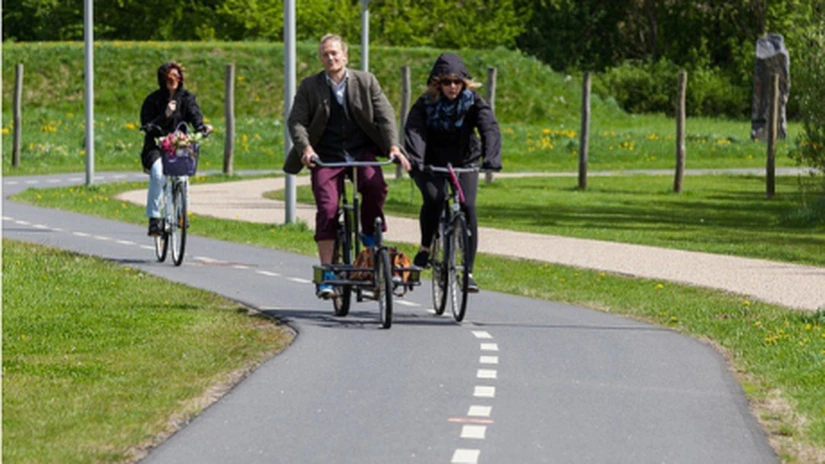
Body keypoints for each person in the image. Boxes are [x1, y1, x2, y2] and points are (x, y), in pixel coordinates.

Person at [284, 34, 411, 298]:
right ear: (321, 58)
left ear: (345, 55)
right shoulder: (310, 86)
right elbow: (296, 121)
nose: (330, 58)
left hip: (360, 149)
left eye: (334, 53)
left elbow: (385, 114)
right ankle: (328, 272)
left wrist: (393, 146)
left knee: (375, 186)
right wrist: (306, 149)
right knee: (328, 207)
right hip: (326, 154)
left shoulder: (366, 81)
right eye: (325, 54)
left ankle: (369, 241)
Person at [404, 53, 502, 293]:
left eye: (457, 82)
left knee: (468, 207)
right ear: (438, 84)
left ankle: (467, 271)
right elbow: (415, 130)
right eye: (447, 82)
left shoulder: (473, 102)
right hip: (430, 162)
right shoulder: (425, 103)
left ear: (464, 83)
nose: (452, 87)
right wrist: (416, 160)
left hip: (464, 160)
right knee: (434, 199)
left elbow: (488, 126)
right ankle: (426, 248)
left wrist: (491, 158)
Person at [139, 61, 212, 236]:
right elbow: (147, 124)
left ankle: (181, 214)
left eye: (177, 76)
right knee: (157, 174)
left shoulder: (186, 98)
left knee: (183, 176)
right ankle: (155, 219)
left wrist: (202, 127)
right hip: (156, 145)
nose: (174, 80)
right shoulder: (153, 99)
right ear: (163, 79)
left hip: (179, 144)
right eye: (170, 77)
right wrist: (165, 115)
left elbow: (195, 115)